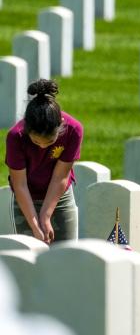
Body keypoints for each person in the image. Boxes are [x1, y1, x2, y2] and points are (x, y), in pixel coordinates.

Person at [5, 79, 83, 243]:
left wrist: (46, 217)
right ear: (26, 129)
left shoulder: (73, 130)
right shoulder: (15, 137)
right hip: (26, 198)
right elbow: (20, 184)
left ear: (60, 126)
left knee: (65, 255)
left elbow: (60, 177)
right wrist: (35, 226)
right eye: (36, 142)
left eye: (48, 142)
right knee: (29, 259)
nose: (41, 147)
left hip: (59, 197)